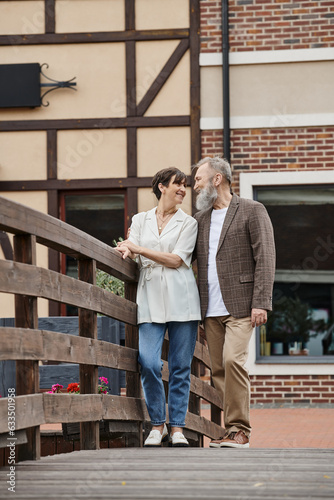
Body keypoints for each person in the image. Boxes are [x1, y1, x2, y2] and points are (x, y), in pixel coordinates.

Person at [193, 156, 275, 448]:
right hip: (210, 308)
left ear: (217, 179)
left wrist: (261, 302)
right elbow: (182, 256)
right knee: (217, 370)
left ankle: (241, 431)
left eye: (199, 179)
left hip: (241, 305)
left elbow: (265, 257)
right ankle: (231, 430)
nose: (195, 186)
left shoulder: (252, 210)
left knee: (232, 361)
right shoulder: (200, 219)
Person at [115, 167, 201, 447]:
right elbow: (131, 244)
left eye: (185, 185)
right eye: (178, 184)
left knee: (180, 366)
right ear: (162, 187)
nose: (183, 190)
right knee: (149, 362)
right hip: (150, 299)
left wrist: (138, 249)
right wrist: (127, 250)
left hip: (182, 299)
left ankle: (177, 427)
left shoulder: (189, 223)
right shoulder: (139, 219)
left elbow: (177, 260)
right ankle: (157, 424)